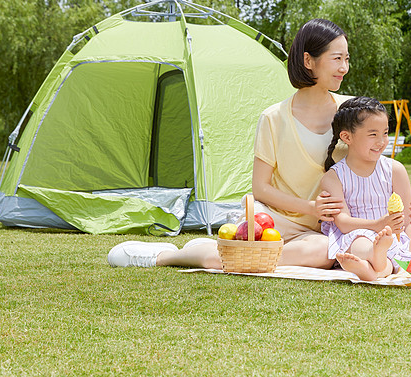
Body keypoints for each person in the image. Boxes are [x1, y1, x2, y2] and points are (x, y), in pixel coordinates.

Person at [108, 18, 351, 269]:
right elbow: (261, 188)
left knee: (325, 250)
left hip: (320, 232)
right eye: (337, 59)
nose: (344, 67)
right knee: (261, 254)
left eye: (346, 59)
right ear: (308, 61)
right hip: (272, 220)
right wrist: (311, 208)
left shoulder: (352, 112)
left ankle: (228, 253)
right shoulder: (274, 117)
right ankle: (165, 257)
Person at [320, 96, 411, 281]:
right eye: (373, 134)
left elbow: (410, 222)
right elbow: (344, 223)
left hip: (393, 238)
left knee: (398, 254)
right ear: (347, 137)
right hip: (357, 236)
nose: (381, 141)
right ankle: (375, 256)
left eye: (385, 133)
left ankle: (373, 269)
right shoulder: (334, 177)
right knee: (360, 242)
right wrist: (377, 225)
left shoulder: (395, 170)